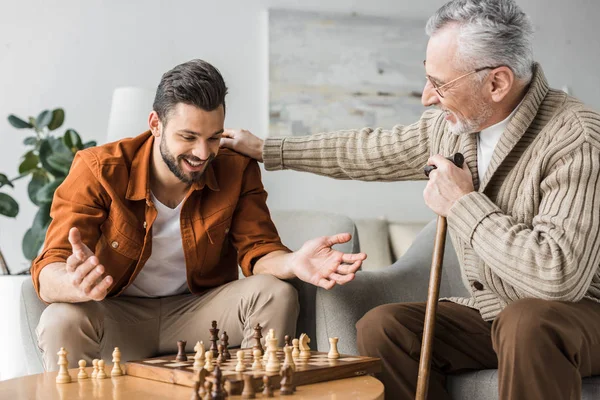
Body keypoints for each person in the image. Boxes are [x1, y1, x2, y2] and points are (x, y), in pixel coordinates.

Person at [220, 1, 600, 399]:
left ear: (497, 83)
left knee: (527, 322)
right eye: (427, 78)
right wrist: (268, 149)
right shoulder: (453, 128)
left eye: (441, 84)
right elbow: (366, 151)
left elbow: (558, 277)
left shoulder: (576, 137)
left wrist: (462, 204)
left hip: (578, 317)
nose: (426, 97)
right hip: (497, 313)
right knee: (385, 328)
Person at [32, 59, 366, 370]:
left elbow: (258, 250)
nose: (202, 153)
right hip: (119, 313)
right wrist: (75, 284)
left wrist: (292, 262)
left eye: (214, 137)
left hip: (198, 312)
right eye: (188, 137)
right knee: (61, 319)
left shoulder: (236, 168)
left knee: (275, 292)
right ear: (155, 124)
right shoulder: (99, 168)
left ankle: (250, 390)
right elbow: (50, 266)